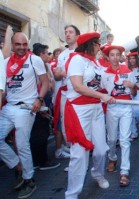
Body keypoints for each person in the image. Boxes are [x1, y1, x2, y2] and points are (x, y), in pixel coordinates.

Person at [64, 32, 114, 199]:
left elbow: (100, 85)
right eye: (97, 43)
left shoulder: (95, 63)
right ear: (89, 44)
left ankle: (97, 174)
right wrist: (102, 96)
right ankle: (72, 194)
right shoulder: (77, 59)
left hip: (96, 109)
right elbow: (77, 86)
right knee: (79, 155)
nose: (99, 46)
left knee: (101, 150)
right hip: (79, 111)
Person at [0, 32, 49, 198]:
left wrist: (39, 99)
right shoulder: (5, 63)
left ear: (27, 44)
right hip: (9, 107)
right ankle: (19, 167)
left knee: (22, 145)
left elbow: (45, 81)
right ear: (12, 45)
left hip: (26, 108)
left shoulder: (34, 59)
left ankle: (29, 180)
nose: (21, 47)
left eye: (24, 44)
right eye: (17, 44)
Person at [101, 45, 137, 187]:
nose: (115, 58)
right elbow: (102, 93)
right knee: (111, 139)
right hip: (112, 108)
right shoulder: (104, 73)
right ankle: (112, 157)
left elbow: (133, 94)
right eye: (112, 55)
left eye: (117, 55)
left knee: (125, 140)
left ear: (121, 56)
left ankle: (124, 171)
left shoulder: (128, 71)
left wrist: (132, 86)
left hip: (126, 107)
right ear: (108, 57)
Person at [30, 43, 61, 170]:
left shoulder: (45, 66)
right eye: (47, 53)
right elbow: (38, 86)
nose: (49, 55)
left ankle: (40, 159)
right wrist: (41, 102)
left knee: (43, 131)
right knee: (39, 132)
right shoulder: (35, 66)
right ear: (41, 54)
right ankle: (41, 161)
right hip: (39, 103)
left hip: (45, 101)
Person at [53, 25, 80, 160]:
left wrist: (66, 73)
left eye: (70, 32)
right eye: (66, 32)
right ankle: (74, 154)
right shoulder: (62, 55)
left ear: (77, 36)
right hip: (65, 93)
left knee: (79, 123)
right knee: (65, 125)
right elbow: (58, 76)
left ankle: (80, 153)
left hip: (79, 94)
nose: (67, 34)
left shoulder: (82, 52)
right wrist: (57, 74)